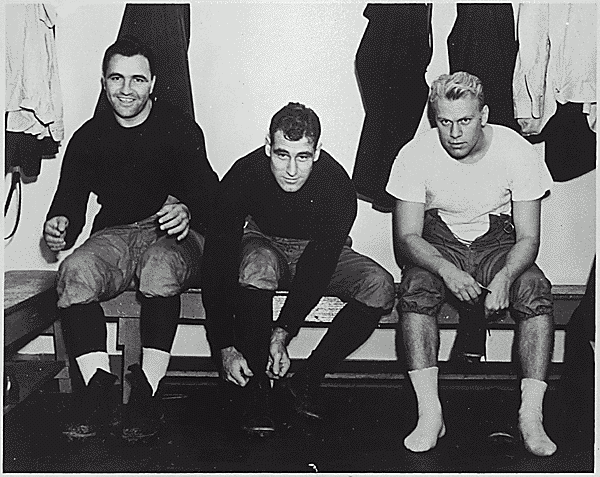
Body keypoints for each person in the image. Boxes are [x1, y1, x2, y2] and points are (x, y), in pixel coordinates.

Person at [43, 37, 219, 443]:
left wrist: (189, 210)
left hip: (173, 233)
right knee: (74, 272)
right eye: (117, 78)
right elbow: (68, 203)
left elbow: (214, 201)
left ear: (153, 82)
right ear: (103, 82)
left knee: (158, 268)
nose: (126, 89)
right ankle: (98, 389)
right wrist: (58, 225)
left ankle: (147, 392)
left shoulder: (180, 128)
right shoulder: (89, 137)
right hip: (117, 233)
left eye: (137, 79)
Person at [388, 72, 557, 456]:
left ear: (483, 115)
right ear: (435, 118)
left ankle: (530, 417)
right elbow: (408, 237)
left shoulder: (515, 149)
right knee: (415, 288)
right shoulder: (414, 153)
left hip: (497, 242)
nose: (454, 133)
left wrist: (505, 277)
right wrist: (447, 270)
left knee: (534, 288)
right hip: (438, 242)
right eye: (445, 122)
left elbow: (529, 237)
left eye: (464, 120)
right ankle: (430, 414)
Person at [202, 102, 395, 437]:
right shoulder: (244, 174)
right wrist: (224, 346)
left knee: (380, 286)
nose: (291, 169)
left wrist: (283, 333)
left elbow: (317, 265)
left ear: (317, 152)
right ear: (268, 147)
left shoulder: (337, 186)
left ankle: (304, 382)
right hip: (264, 244)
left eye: (302, 156)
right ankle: (257, 390)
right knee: (257, 264)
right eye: (282, 155)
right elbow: (217, 261)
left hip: (316, 250)